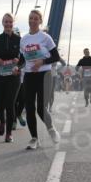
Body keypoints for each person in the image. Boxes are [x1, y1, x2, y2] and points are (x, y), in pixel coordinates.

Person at [19, 10, 61, 150]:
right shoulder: (24, 39)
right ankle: (34, 139)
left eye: (35, 18)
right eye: (30, 18)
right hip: (29, 75)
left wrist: (42, 62)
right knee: (29, 107)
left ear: (40, 21)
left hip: (44, 75)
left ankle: (51, 129)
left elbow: (55, 57)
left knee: (41, 108)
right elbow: (22, 59)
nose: (32, 20)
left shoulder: (45, 37)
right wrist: (17, 66)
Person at [0, 14, 22, 142]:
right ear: (2, 23)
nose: (8, 24)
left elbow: (25, 59)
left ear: (13, 23)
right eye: (6, 22)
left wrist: (18, 62)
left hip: (14, 77)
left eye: (10, 22)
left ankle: (9, 134)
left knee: (10, 104)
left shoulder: (19, 40)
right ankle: (2, 121)